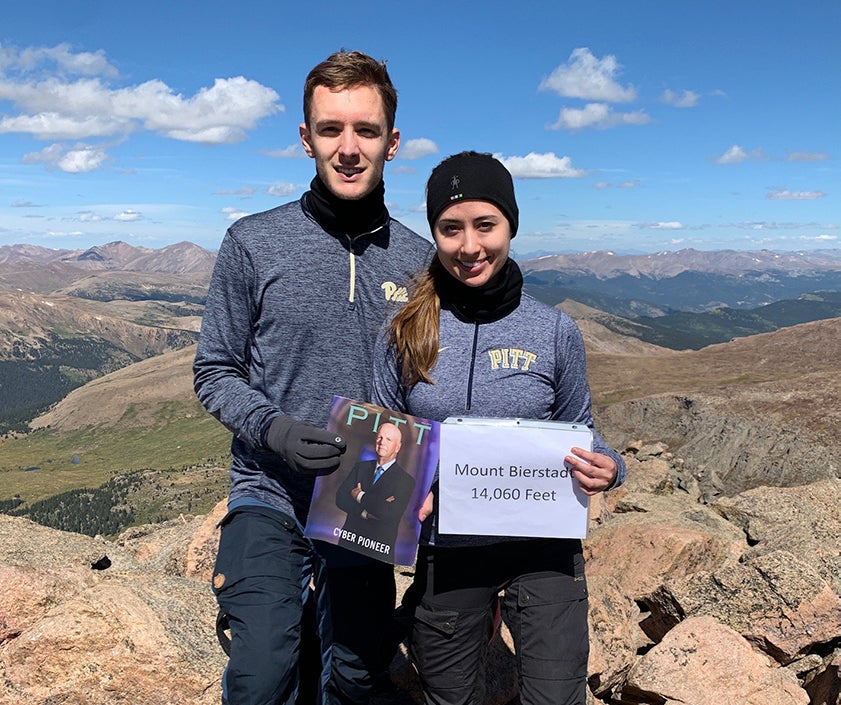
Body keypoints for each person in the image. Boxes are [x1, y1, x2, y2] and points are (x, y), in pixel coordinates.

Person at [193, 50, 433, 705]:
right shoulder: (252, 242)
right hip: (269, 489)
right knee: (263, 678)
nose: (348, 147)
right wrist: (277, 431)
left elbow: (427, 386)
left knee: (354, 679)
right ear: (305, 139)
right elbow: (215, 370)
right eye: (330, 130)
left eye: (366, 130)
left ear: (392, 141)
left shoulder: (420, 262)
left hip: (366, 501)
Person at [371, 151, 627, 705]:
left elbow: (579, 428)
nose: (470, 247)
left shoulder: (555, 329)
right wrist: (400, 486)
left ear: (511, 225)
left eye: (486, 225)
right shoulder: (404, 331)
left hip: (545, 551)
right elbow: (384, 436)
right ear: (434, 232)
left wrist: (610, 465)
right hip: (449, 550)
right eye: (451, 229)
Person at [335, 422, 416, 560]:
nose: (382, 442)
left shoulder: (405, 480)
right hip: (349, 541)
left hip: (379, 550)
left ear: (398, 447)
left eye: (388, 439)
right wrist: (365, 513)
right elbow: (341, 498)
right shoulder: (361, 467)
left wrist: (359, 495)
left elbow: (390, 514)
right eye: (380, 437)